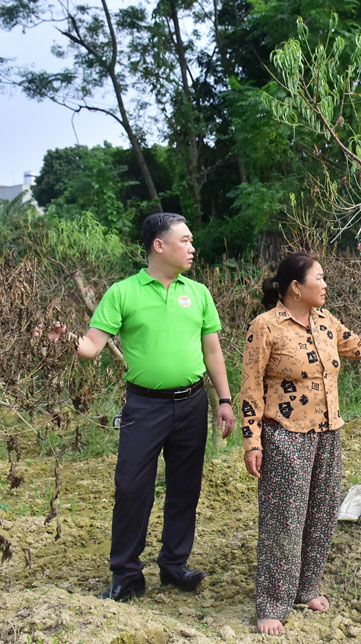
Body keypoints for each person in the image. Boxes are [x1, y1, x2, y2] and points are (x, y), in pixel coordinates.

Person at [240, 253, 361, 636]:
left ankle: (306, 588)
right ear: (295, 288)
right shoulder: (265, 327)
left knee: (320, 516)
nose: (325, 284)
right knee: (283, 520)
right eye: (318, 278)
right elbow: (251, 387)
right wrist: (252, 441)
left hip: (328, 432)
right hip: (285, 436)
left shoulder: (326, 322)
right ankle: (272, 603)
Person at [76, 212, 235, 602]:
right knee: (131, 487)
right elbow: (91, 346)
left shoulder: (197, 293)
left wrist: (226, 401)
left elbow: (212, 349)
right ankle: (126, 573)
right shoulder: (124, 292)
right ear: (159, 245)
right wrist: (66, 339)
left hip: (192, 404)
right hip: (144, 407)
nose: (192, 247)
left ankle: (174, 565)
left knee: (185, 488)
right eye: (185, 240)